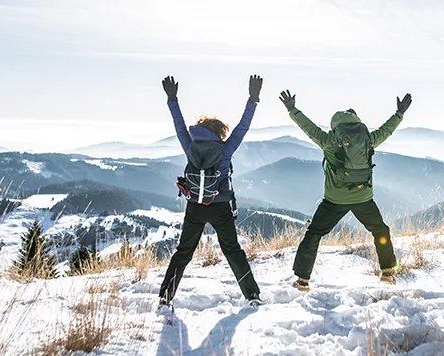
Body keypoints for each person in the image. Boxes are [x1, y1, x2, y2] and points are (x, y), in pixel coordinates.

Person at [277, 89, 412, 291]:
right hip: (363, 198)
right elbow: (386, 130)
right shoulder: (368, 139)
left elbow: (310, 128)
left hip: (334, 200)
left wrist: (292, 109)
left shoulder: (330, 141)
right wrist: (399, 113)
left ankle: (303, 279)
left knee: (314, 233)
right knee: (380, 230)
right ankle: (387, 272)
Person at [158, 75, 264, 307]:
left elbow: (178, 125)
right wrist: (253, 99)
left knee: (183, 252)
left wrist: (172, 99)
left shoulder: (190, 147)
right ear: (218, 132)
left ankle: (165, 298)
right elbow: (243, 127)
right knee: (233, 251)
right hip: (220, 207)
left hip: (195, 206)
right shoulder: (224, 150)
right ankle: (252, 296)